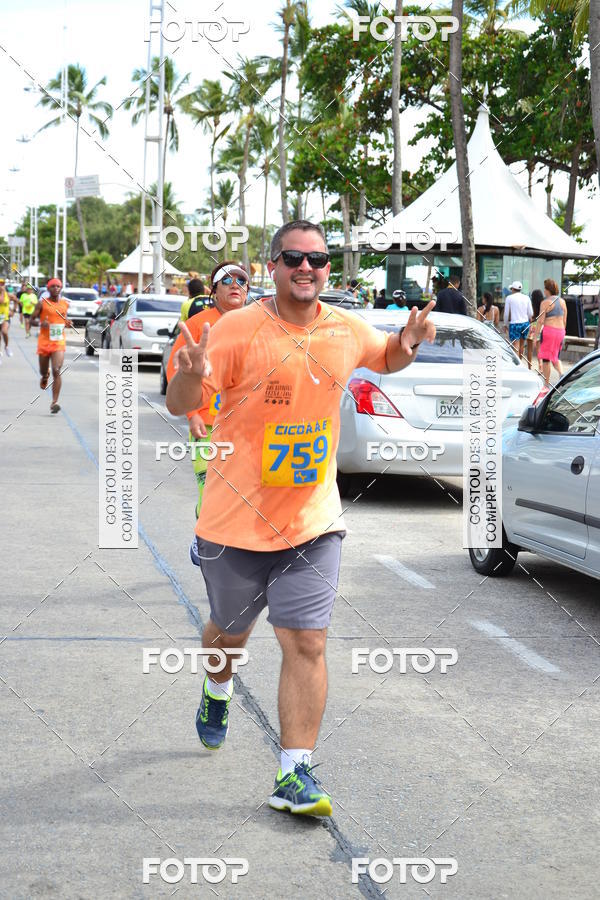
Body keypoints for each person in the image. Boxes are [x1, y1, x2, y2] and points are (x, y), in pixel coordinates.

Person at [166, 220, 436, 817]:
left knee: (306, 641)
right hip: (233, 521)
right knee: (228, 635)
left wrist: (410, 340)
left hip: (313, 521)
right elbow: (183, 403)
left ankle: (295, 774)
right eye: (294, 258)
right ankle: (218, 684)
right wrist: (187, 374)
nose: (307, 268)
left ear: (327, 269)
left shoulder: (344, 328)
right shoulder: (236, 330)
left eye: (318, 259)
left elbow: (385, 356)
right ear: (275, 266)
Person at [167, 266, 249, 516]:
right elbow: (176, 371)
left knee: (241, 495)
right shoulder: (196, 326)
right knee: (210, 489)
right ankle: (205, 545)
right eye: (227, 280)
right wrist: (192, 414)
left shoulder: (260, 325)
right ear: (214, 290)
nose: (235, 284)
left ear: (247, 290)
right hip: (207, 425)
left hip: (247, 426)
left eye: (241, 280)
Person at [31, 278, 72, 414]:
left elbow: (64, 320)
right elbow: (32, 320)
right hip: (44, 341)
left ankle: (54, 402)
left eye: (58, 286)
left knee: (57, 369)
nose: (56, 288)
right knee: (44, 371)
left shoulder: (65, 304)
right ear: (48, 289)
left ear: (61, 289)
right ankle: (44, 376)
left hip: (58, 341)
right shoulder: (41, 304)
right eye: (53, 286)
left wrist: (68, 323)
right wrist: (40, 324)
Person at [534, 278, 567, 383]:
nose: (544, 291)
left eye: (545, 288)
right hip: (561, 331)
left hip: (550, 331)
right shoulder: (562, 301)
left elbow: (540, 321)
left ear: (548, 289)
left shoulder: (545, 302)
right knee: (555, 356)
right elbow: (565, 320)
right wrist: (562, 332)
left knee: (546, 358)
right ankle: (562, 375)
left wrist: (535, 336)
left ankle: (546, 384)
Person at [503, 280, 533, 364]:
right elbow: (530, 313)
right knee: (522, 344)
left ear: (513, 289)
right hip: (525, 323)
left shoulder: (509, 298)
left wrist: (505, 324)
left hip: (514, 324)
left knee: (515, 345)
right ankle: (520, 362)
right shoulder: (526, 297)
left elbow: (506, 313)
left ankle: (517, 365)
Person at [526, 288, 544, 370]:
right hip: (541, 327)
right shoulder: (543, 305)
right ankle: (540, 365)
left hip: (533, 327)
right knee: (539, 348)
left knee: (530, 349)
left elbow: (530, 317)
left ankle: (529, 367)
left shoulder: (532, 306)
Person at [0, 278, 14, 361]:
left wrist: (13, 310)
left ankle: (6, 346)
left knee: (4, 332)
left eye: (2, 284)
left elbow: (17, 301)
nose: (1, 286)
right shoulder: (3, 294)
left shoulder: (8, 295)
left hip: (5, 318)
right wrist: (2, 292)